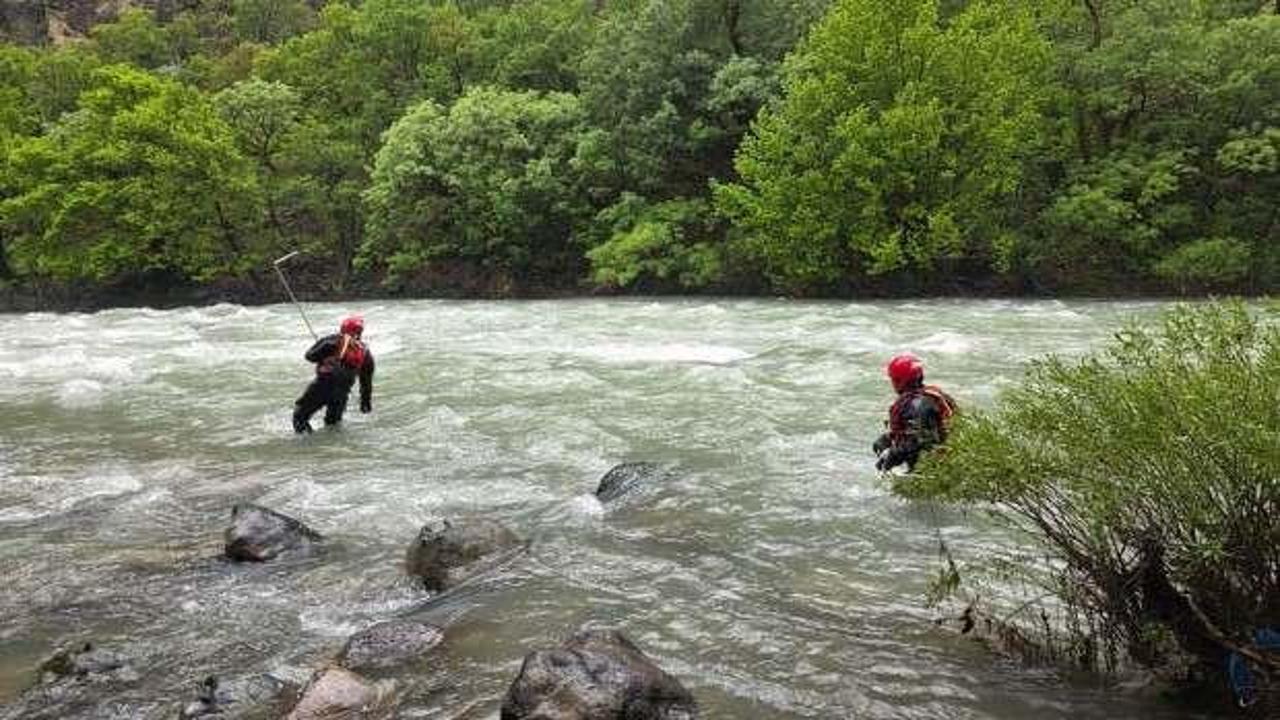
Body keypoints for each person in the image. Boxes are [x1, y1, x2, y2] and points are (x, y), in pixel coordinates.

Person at [872, 352, 956, 472]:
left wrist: (893, 454)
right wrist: (889, 438)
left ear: (899, 380)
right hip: (946, 458)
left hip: (934, 467)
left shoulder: (916, 405)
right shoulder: (932, 395)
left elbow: (921, 441)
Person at [293, 315, 374, 433]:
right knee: (332, 425)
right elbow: (366, 382)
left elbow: (309, 356)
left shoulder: (332, 340)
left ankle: (307, 446)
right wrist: (365, 403)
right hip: (342, 394)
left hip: (321, 387)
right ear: (360, 332)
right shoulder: (365, 352)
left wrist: (322, 355)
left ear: (343, 328)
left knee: (299, 417)